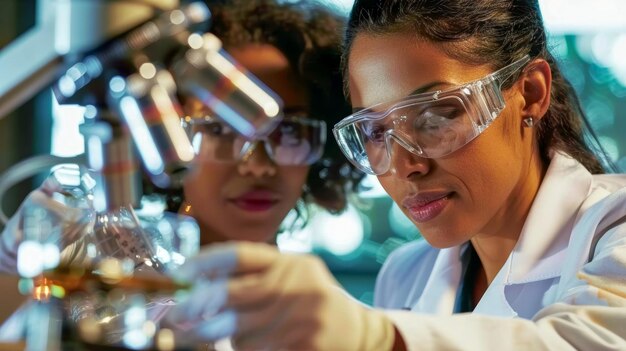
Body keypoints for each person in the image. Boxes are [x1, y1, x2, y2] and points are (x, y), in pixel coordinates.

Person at [164, 0, 626, 350]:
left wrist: (372, 336)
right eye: (375, 130)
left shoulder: (614, 228)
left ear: (530, 92)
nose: (406, 164)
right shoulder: (405, 276)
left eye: (437, 116)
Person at [173, 0, 359, 246]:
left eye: (289, 130)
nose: (258, 166)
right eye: (221, 130)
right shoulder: (118, 279)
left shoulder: (320, 285)